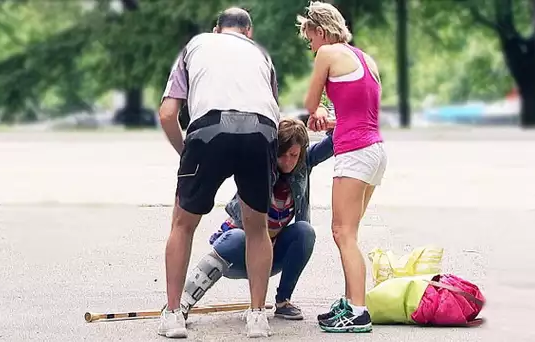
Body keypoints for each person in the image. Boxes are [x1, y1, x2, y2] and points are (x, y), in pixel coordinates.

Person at [157, 7, 281, 339]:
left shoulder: (196, 45)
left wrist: (187, 155)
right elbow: (273, 113)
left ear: (216, 29)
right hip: (260, 132)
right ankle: (257, 317)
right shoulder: (262, 56)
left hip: (208, 131)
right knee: (257, 227)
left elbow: (168, 113)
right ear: (248, 32)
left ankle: (173, 316)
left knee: (183, 225)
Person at [181, 117, 334, 324]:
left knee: (304, 231)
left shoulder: (304, 162)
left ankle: (283, 302)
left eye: (294, 155)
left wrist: (324, 116)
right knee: (236, 237)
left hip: (271, 254)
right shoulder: (260, 163)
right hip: (238, 252)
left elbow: (337, 139)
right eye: (282, 154)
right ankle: (182, 303)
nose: (288, 161)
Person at [296, 1, 388, 334]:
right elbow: (359, 114)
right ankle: (351, 304)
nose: (311, 48)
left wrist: (316, 112)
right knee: (350, 233)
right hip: (375, 150)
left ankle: (359, 312)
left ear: (320, 31)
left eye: (310, 40)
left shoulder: (328, 54)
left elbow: (309, 103)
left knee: (342, 233)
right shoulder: (365, 58)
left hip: (355, 153)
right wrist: (330, 119)